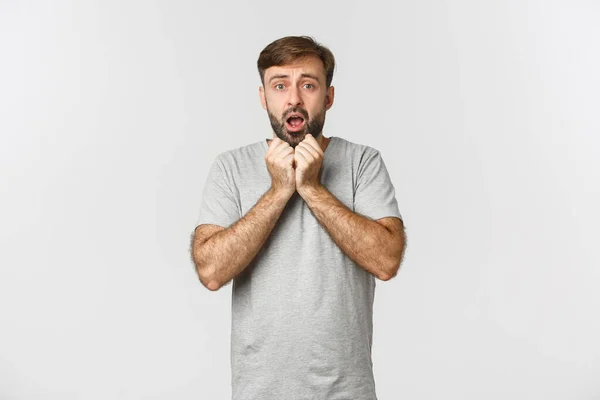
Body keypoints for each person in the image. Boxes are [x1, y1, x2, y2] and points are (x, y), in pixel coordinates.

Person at [191, 36, 406, 400]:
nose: (293, 99)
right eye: (280, 86)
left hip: (346, 392)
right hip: (259, 391)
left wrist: (311, 188)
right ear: (263, 97)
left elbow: (386, 261)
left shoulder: (363, 162)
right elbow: (211, 272)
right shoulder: (231, 167)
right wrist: (278, 191)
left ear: (329, 97)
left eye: (308, 85)